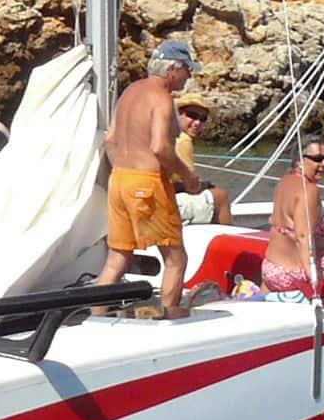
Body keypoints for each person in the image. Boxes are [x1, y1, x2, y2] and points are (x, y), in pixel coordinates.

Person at [95, 39, 201, 316]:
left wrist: (127, 170)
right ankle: (167, 318)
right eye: (187, 70)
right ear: (172, 69)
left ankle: (95, 320)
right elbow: (160, 147)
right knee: (176, 258)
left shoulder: (130, 92)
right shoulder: (162, 98)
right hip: (147, 182)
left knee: (117, 259)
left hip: (119, 180)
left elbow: (109, 140)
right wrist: (187, 175)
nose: (189, 76)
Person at [264, 137, 324, 296]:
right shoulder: (310, 190)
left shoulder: (283, 182)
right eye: (317, 159)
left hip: (271, 269)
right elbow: (303, 236)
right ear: (299, 160)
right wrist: (313, 278)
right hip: (294, 275)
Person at [172, 96, 234, 227]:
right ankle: (226, 240)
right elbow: (191, 187)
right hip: (167, 202)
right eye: (192, 115)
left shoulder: (166, 135)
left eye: (202, 119)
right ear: (178, 114)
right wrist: (203, 186)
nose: (197, 123)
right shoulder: (183, 140)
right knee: (220, 196)